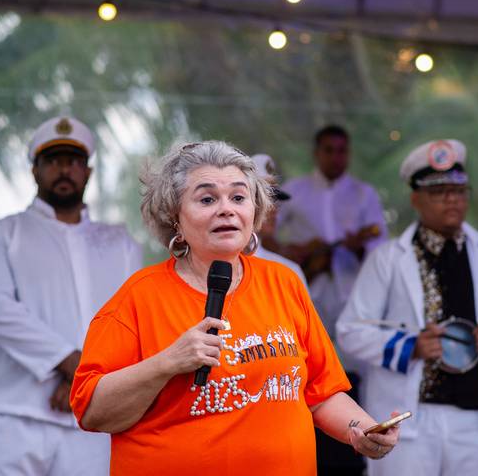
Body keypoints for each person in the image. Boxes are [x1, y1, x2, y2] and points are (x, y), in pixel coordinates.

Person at [69, 141, 400, 476]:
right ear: (174, 217)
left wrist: (363, 429)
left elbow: (321, 394)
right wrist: (167, 362)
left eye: (238, 197)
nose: (226, 209)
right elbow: (93, 412)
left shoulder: (284, 282)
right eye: (207, 199)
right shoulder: (139, 296)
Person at [336, 139, 478, 476]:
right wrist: (411, 346)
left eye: (459, 191)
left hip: (477, 419)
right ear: (416, 199)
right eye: (439, 191)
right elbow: (350, 330)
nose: (452, 199)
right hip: (408, 418)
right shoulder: (387, 258)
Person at [0, 117, 142, 476]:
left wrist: (83, 376)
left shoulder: (120, 243)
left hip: (89, 420)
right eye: (53, 160)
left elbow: (131, 321)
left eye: (73, 161)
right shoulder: (1, 234)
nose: (64, 169)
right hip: (9, 415)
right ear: (35, 171)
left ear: (88, 172)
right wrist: (72, 364)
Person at [273, 125, 387, 338]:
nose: (336, 157)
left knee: (352, 352)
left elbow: (380, 246)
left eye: (341, 151)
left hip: (352, 290)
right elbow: (264, 228)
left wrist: (358, 250)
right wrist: (284, 251)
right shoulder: (294, 190)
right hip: (306, 286)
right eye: (329, 150)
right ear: (316, 153)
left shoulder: (365, 194)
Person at [250, 153, 306, 284]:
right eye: (264, 198)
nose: (274, 209)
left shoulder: (289, 273)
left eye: (274, 200)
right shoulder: (215, 263)